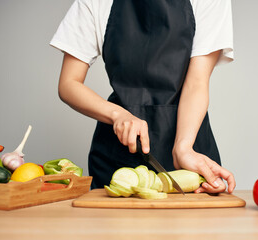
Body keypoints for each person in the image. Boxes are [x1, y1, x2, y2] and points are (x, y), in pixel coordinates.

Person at [50, 0, 236, 193]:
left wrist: (183, 148)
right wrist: (117, 115)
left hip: (188, 153)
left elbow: (197, 82)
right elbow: (69, 83)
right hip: (117, 155)